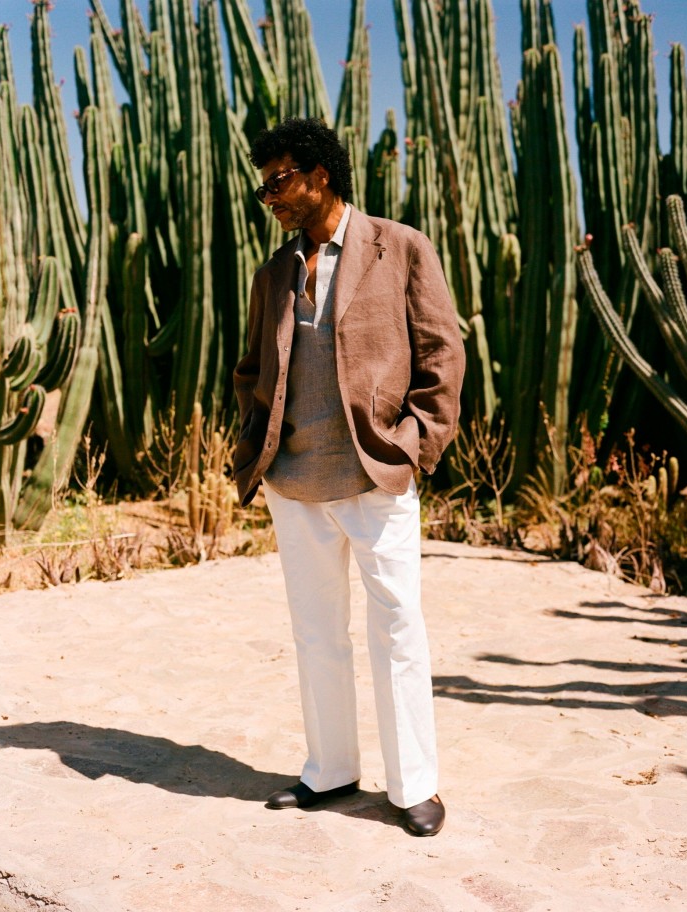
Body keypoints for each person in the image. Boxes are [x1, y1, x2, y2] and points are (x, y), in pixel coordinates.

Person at [233, 117, 465, 837]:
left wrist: (413, 447)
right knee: (315, 633)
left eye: (276, 180)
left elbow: (442, 355)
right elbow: (251, 371)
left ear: (318, 175)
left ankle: (414, 787)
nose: (266, 196)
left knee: (397, 629)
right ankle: (330, 771)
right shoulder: (273, 273)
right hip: (293, 483)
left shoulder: (397, 248)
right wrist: (256, 448)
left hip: (374, 479)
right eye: (262, 183)